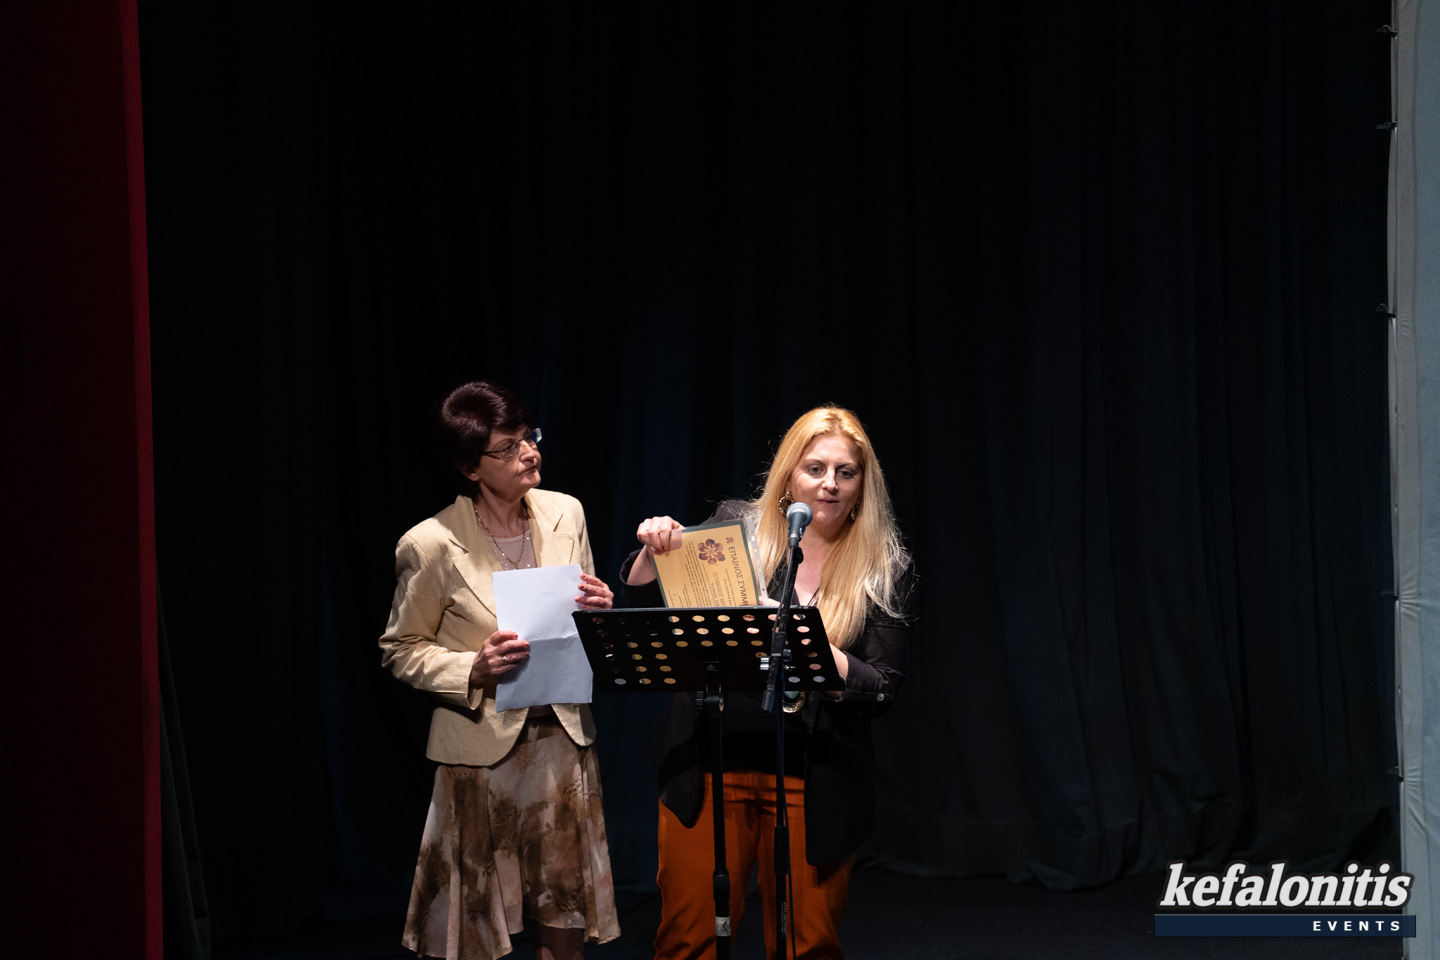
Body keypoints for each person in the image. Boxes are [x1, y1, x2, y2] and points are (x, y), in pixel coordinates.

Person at [621, 406, 914, 960]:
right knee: (689, 941)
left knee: (806, 946)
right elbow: (645, 618)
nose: (829, 484)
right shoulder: (737, 527)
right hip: (712, 763)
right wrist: (652, 552)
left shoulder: (883, 563)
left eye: (845, 472)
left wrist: (807, 642)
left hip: (812, 778)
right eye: (815, 468)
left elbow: (882, 685)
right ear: (789, 475)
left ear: (861, 486)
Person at [380, 381, 620, 960]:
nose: (529, 453)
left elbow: (583, 624)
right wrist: (472, 668)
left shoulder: (566, 513)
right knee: (474, 927)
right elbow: (401, 647)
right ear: (470, 468)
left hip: (560, 739)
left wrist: (601, 612)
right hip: (481, 752)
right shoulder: (431, 543)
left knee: (564, 908)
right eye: (508, 448)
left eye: (528, 437)